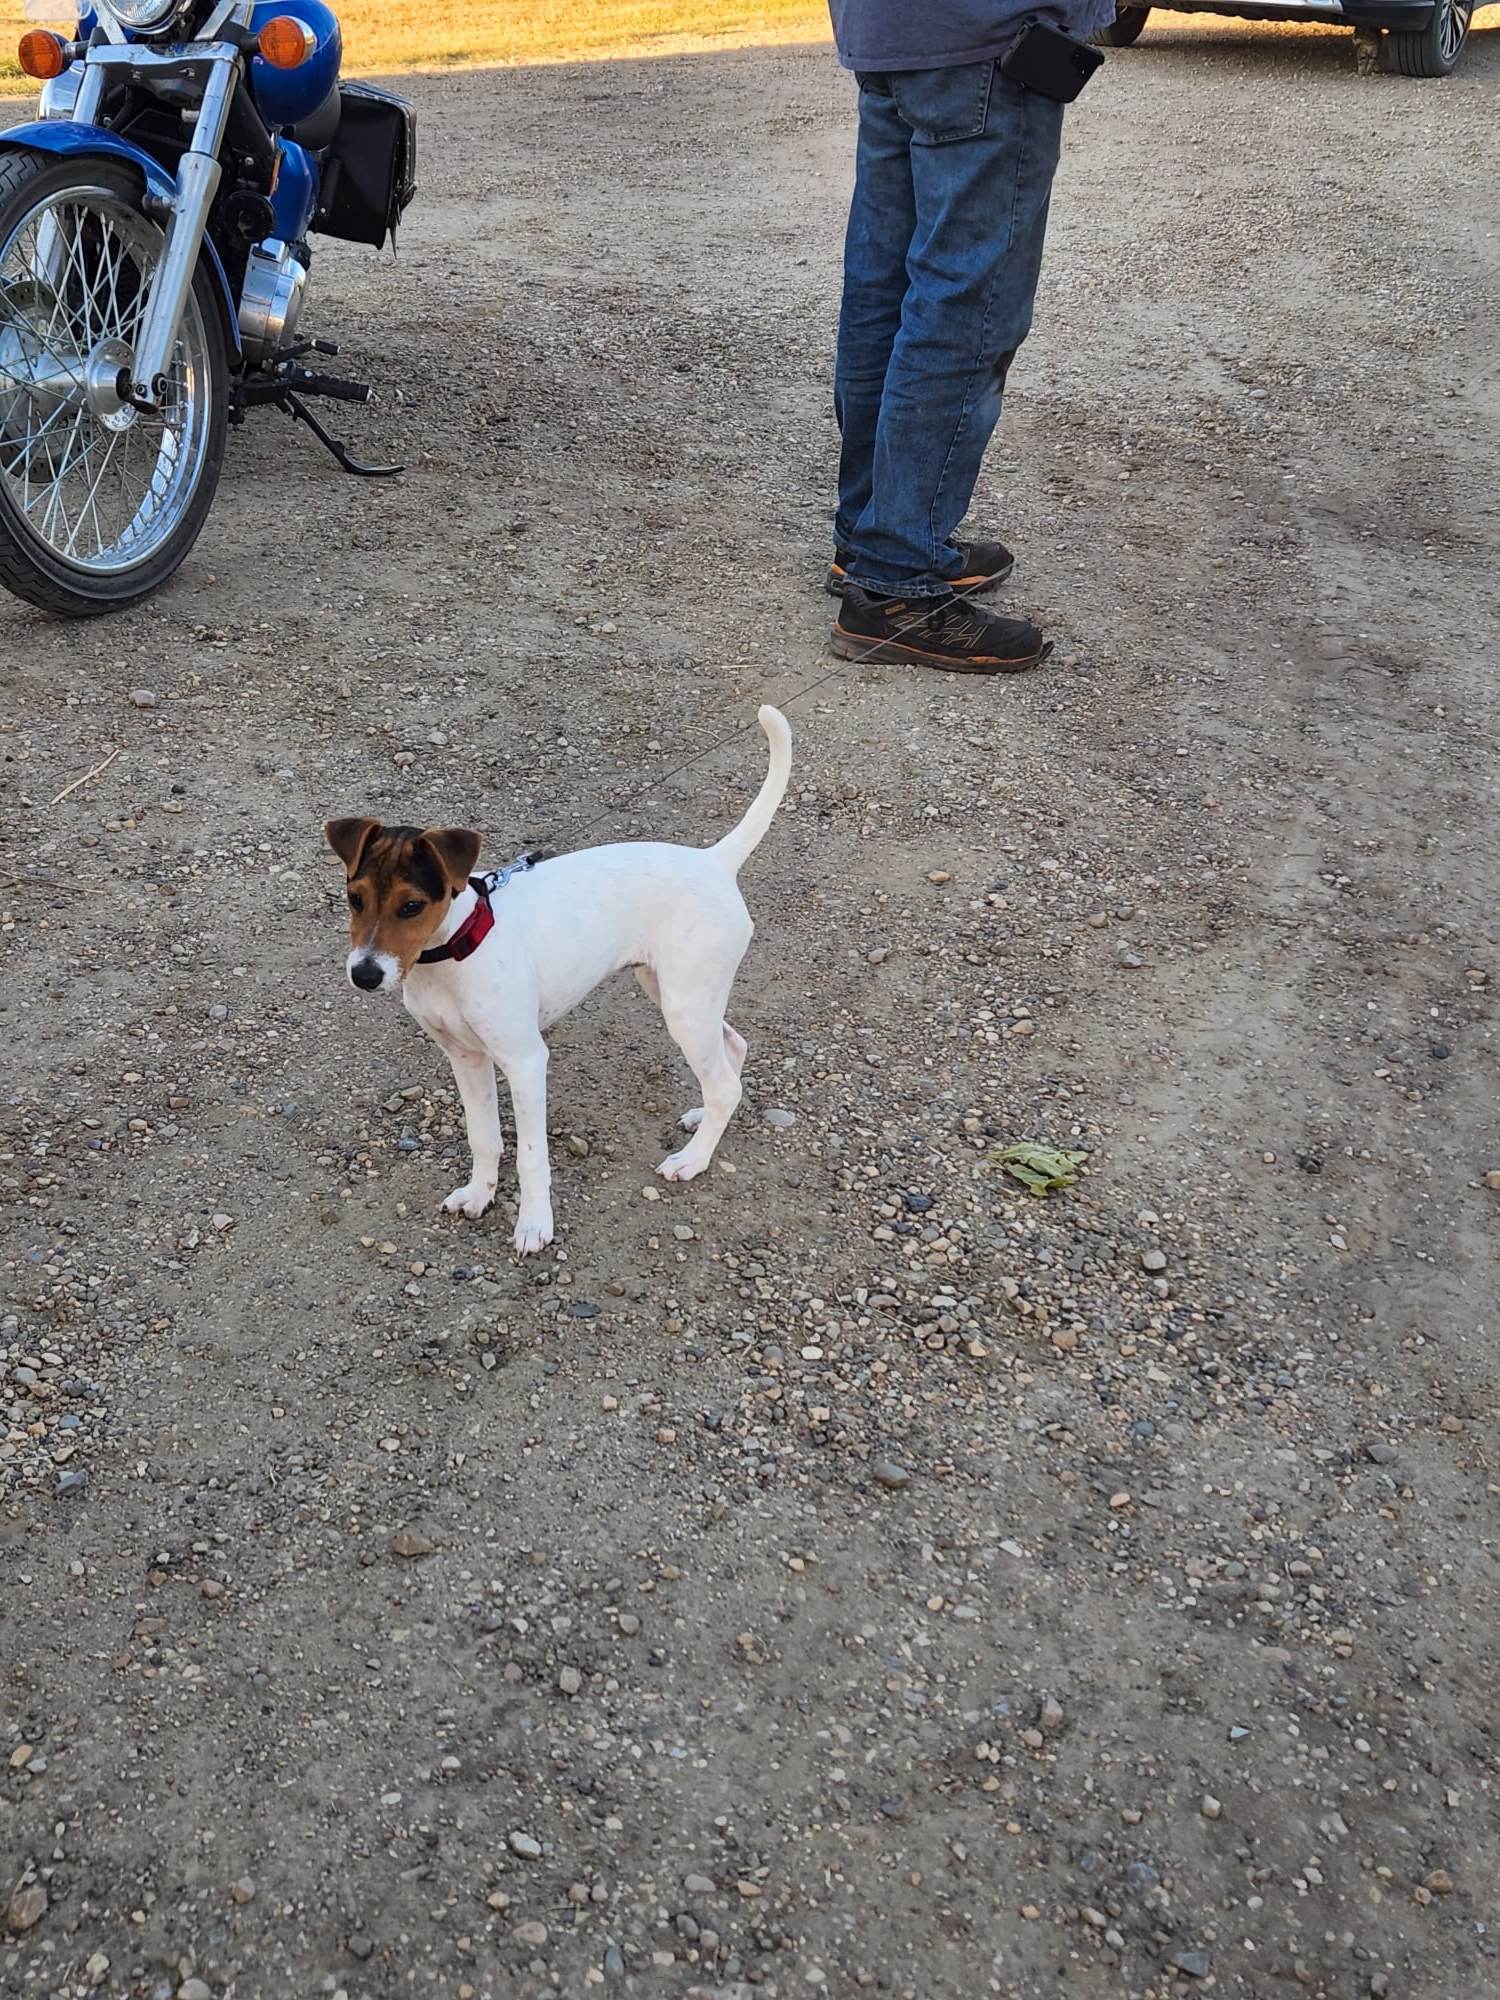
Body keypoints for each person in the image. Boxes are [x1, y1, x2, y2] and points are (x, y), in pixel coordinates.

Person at [826, 0, 1109, 674]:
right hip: (984, 35)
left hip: (885, 28)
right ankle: (895, 582)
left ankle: (869, 537)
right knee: (967, 304)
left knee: (886, 290)